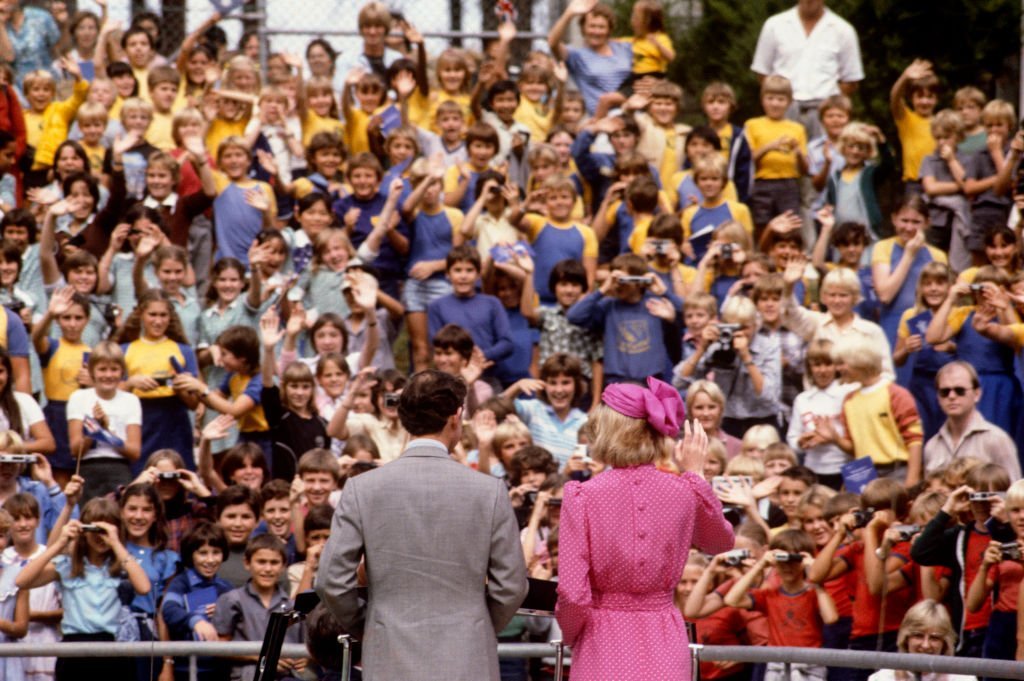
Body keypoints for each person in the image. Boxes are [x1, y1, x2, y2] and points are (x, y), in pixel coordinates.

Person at [317, 369, 528, 680]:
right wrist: (475, 627)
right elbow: (511, 585)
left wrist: (372, 626)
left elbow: (331, 581)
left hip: (389, 650)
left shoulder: (362, 488)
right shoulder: (490, 491)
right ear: (456, 417)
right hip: (466, 654)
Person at [556, 377, 734, 679]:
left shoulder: (583, 495)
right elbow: (720, 542)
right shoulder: (683, 490)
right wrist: (696, 475)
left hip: (602, 638)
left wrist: (574, 635)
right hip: (664, 637)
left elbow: (573, 593)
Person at [750, 0, 864, 140]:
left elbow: (851, 81)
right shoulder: (774, 25)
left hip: (823, 112)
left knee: (823, 158)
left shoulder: (843, 30)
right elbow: (763, 72)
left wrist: (828, 105)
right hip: (784, 109)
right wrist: (780, 100)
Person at [922, 361, 1019, 479]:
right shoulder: (931, 447)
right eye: (944, 392)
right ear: (938, 397)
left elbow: (1014, 493)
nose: (952, 396)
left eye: (960, 390)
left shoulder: (997, 440)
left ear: (977, 394)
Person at [866, 600, 976, 681]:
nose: (925, 645)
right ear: (906, 639)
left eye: (934, 638)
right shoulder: (882, 678)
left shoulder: (963, 678)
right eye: (918, 636)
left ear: (945, 643)